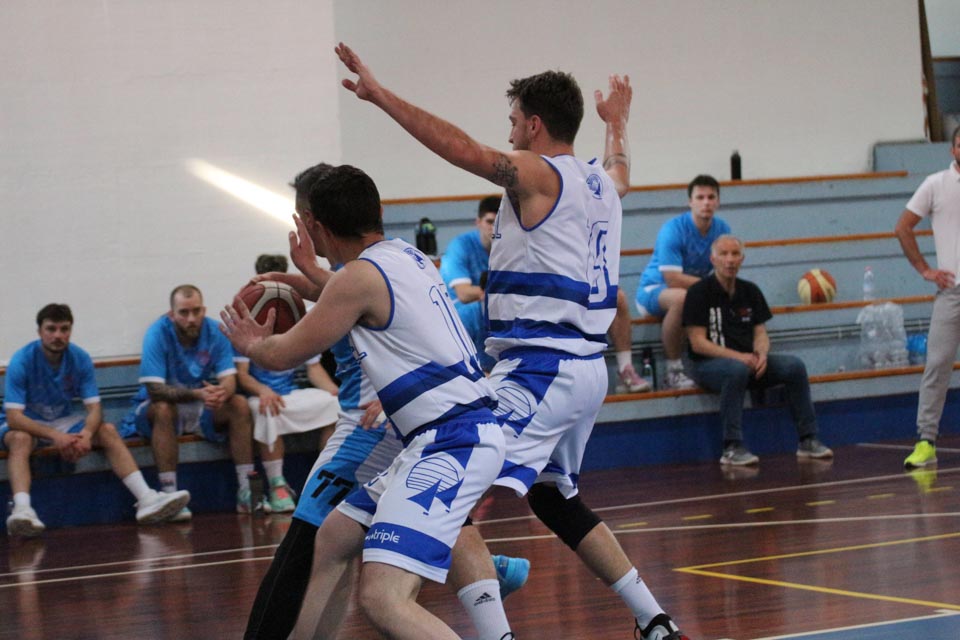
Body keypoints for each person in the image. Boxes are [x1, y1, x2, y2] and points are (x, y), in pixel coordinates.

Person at [335, 42, 688, 640]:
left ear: (534, 125)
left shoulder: (538, 175)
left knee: (448, 472)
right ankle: (654, 620)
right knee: (554, 499)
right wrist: (618, 122)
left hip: (541, 368)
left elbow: (463, 151)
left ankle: (496, 631)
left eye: (514, 121)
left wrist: (381, 97)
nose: (509, 132)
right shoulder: (603, 183)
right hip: (585, 370)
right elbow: (622, 167)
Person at [242, 163, 528, 640]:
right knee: (334, 536)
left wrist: (249, 341)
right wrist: (307, 279)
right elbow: (350, 295)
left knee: (381, 598)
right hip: (445, 432)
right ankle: (482, 573)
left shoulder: (356, 278)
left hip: (449, 436)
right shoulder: (407, 256)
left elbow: (284, 353)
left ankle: (479, 576)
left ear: (315, 226)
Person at [2, 304, 189, 536]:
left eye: (64, 329)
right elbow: (14, 418)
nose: (58, 335)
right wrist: (57, 437)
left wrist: (86, 435)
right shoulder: (22, 360)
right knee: (19, 439)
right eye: (51, 329)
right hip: (29, 423)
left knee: (107, 430)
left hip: (62, 419)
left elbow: (95, 409)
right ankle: (22, 510)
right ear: (40, 331)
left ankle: (146, 498)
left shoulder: (80, 358)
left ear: (70, 331)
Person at [123, 284, 286, 520]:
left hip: (201, 404)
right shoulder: (156, 333)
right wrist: (198, 394)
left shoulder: (215, 331)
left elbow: (229, 380)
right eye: (184, 312)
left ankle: (246, 491)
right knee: (163, 409)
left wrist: (222, 392)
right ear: (172, 314)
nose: (191, 318)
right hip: (161, 406)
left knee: (238, 404)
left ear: (204, 310)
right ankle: (169, 494)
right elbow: (154, 390)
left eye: (196, 311)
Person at [682, 235, 834, 466]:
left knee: (794, 366)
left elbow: (760, 333)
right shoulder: (698, 292)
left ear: (742, 259)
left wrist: (761, 354)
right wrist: (740, 358)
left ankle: (808, 439)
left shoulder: (750, 291)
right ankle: (732, 447)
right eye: (724, 254)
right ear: (713, 259)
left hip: (747, 362)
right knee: (736, 370)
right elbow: (698, 343)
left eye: (735, 254)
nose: (730, 260)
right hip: (707, 365)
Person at [234, 256, 341, 513]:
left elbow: (313, 368)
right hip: (259, 394)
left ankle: (324, 477)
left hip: (290, 392)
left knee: (335, 405)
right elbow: (242, 375)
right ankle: (277, 485)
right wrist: (263, 390)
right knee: (267, 408)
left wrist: (334, 391)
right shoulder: (246, 317)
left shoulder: (295, 314)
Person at [895, 125, 960, 469]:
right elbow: (903, 226)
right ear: (953, 150)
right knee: (937, 365)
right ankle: (926, 441)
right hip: (951, 292)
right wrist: (924, 269)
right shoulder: (936, 184)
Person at [635, 174, 732, 390]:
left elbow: (725, 271)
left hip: (695, 292)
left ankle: (724, 361)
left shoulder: (722, 230)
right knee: (682, 298)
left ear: (718, 201)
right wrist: (713, 287)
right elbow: (672, 279)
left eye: (711, 197)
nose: (706, 202)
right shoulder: (673, 229)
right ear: (690, 202)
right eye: (700, 197)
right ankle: (673, 371)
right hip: (654, 290)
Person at [440, 195, 499, 372]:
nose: (494, 228)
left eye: (499, 222)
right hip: (459, 315)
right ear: (478, 222)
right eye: (490, 222)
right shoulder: (460, 246)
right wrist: (497, 293)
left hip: (488, 311)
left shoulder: (509, 248)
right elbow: (464, 294)